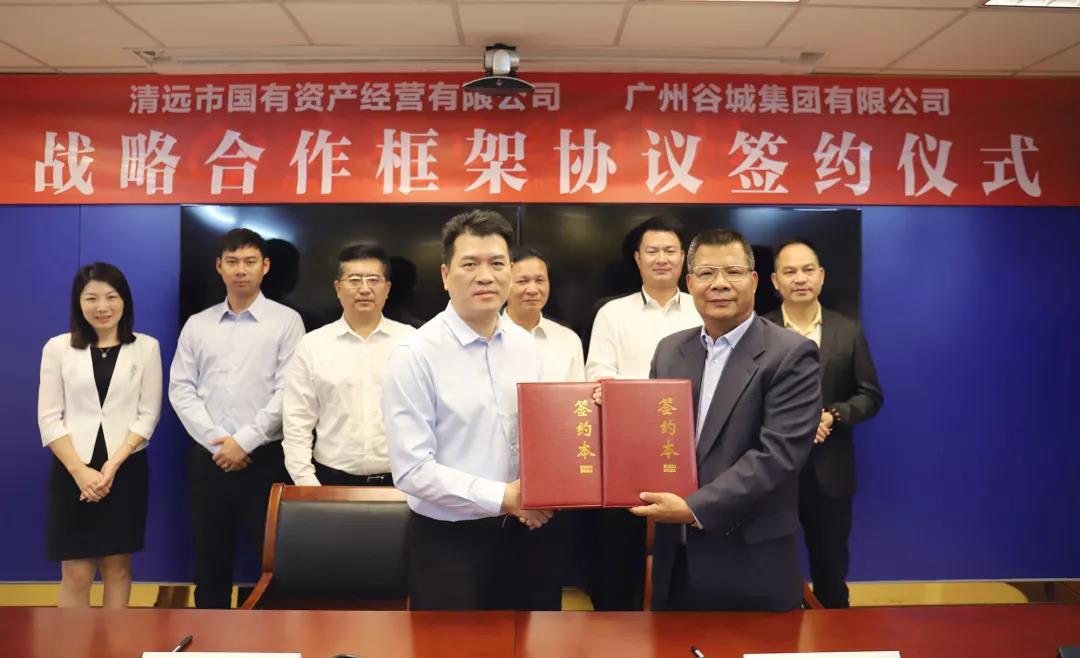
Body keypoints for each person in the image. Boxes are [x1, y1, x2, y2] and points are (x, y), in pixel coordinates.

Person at [633, 228, 821, 612]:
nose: (719, 284)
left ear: (754, 280)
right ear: (690, 284)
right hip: (677, 560)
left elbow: (777, 456)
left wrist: (694, 508)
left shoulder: (791, 354)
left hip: (752, 562)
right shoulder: (670, 351)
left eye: (733, 272)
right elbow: (656, 438)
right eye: (706, 273)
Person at [382, 209, 557, 611]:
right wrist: (505, 497)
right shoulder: (414, 355)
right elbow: (412, 470)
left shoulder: (526, 346)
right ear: (446, 275)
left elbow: (536, 436)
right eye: (470, 264)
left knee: (528, 639)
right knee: (453, 643)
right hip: (449, 543)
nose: (485, 276)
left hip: (524, 532)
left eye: (497, 263)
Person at [169, 228, 305, 609]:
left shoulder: (287, 322)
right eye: (232, 262)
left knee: (272, 562)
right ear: (219, 267)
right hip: (209, 458)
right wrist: (219, 442)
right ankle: (210, 637)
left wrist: (244, 441)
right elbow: (181, 388)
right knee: (209, 561)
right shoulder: (198, 324)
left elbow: (289, 391)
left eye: (249, 261)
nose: (240, 270)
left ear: (265, 266)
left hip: (265, 459)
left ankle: (270, 638)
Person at [584, 215, 701, 610]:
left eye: (670, 251)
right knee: (620, 551)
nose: (661, 259)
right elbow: (598, 376)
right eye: (652, 251)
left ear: (683, 258)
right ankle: (617, 622)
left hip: (692, 446)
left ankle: (677, 622)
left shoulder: (703, 310)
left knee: (684, 549)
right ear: (637, 258)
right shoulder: (612, 313)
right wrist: (643, 400)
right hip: (625, 449)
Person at [765, 238, 884, 608]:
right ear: (775, 281)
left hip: (829, 474)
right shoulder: (759, 330)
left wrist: (833, 415)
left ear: (821, 276)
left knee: (831, 575)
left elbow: (870, 395)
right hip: (772, 472)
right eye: (790, 272)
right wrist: (795, 423)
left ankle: (835, 634)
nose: (800, 278)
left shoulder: (847, 331)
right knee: (771, 572)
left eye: (807, 270)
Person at [38, 262, 162, 608]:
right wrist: (80, 471)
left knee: (118, 570)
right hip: (72, 469)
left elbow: (148, 414)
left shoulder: (146, 347)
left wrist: (113, 464)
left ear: (125, 301)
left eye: (111, 297)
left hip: (126, 468)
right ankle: (72, 640)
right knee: (76, 574)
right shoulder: (58, 348)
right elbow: (48, 417)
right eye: (91, 298)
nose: (102, 307)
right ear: (78, 303)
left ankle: (116, 640)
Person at [283, 244, 415, 487]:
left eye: (373, 280)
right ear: (338, 288)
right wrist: (308, 485)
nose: (364, 289)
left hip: (402, 482)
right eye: (354, 280)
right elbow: (297, 422)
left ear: (387, 288)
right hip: (330, 481)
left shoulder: (412, 342)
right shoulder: (312, 345)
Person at [503, 247, 585, 383]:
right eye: (522, 281)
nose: (532, 290)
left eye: (540, 280)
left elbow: (578, 394)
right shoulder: (487, 337)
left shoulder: (569, 340)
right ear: (503, 284)